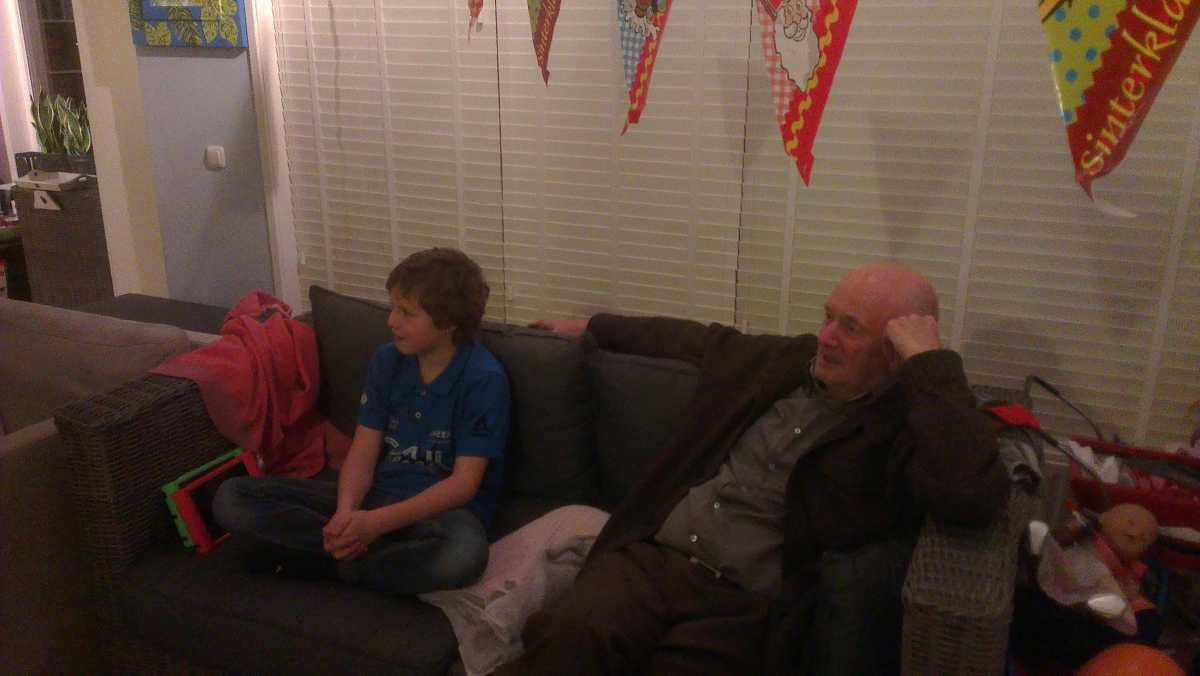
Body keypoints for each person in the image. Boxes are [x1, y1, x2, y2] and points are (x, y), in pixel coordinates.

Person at [498, 261, 1009, 675]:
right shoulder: (781, 363)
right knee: (567, 639)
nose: (826, 336)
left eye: (850, 328)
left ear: (896, 353)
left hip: (743, 606)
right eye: (828, 317)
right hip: (654, 561)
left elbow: (970, 495)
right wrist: (592, 327)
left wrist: (929, 366)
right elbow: (694, 340)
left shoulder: (902, 427)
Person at [213, 247, 511, 595]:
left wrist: (374, 525)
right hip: (377, 496)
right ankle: (355, 554)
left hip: (440, 514)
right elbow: (363, 450)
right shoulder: (387, 361)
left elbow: (463, 485)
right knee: (232, 497)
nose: (391, 321)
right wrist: (346, 513)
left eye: (406, 313)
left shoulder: (482, 378)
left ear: (448, 323)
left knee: (462, 557)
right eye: (393, 308)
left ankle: (336, 563)